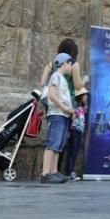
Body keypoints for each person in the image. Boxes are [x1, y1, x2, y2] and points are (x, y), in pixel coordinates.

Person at [40, 53, 75, 184]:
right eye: (70, 64)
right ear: (64, 63)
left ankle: (54, 172)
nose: (71, 67)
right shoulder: (55, 77)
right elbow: (52, 96)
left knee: (58, 144)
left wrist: (70, 110)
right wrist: (65, 108)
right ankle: (45, 173)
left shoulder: (62, 78)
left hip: (63, 114)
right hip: (57, 114)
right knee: (52, 143)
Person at [65, 87, 89, 180]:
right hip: (74, 130)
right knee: (72, 151)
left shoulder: (82, 106)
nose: (86, 97)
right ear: (80, 96)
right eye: (84, 95)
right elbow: (72, 117)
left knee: (75, 152)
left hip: (78, 131)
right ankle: (69, 172)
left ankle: (71, 171)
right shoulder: (75, 105)